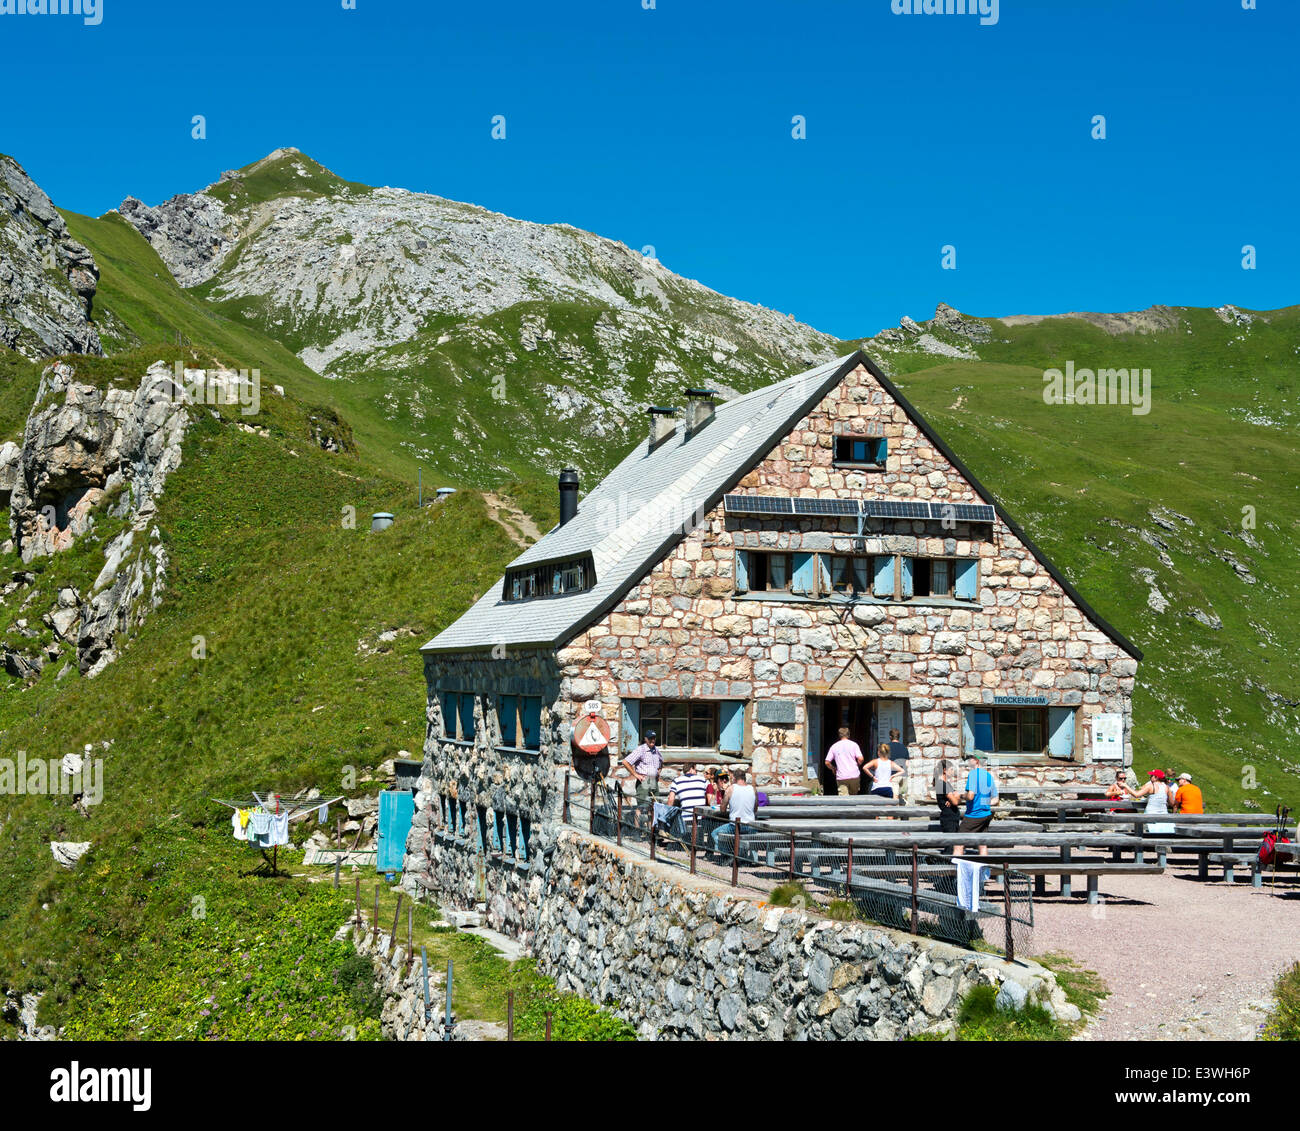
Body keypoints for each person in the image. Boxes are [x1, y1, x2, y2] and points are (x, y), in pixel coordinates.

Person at [954, 752, 998, 856]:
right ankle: (983, 870)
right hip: (986, 815)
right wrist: (984, 804)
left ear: (976, 761)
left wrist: (960, 796)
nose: (969, 760)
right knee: (982, 844)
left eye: (970, 758)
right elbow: (995, 800)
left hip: (974, 815)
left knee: (958, 843)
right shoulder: (989, 776)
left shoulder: (973, 774)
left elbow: (970, 796)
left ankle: (956, 870)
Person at [622, 730, 663, 828]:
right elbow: (625, 762)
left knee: (652, 806)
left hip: (653, 781)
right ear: (646, 739)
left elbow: (661, 762)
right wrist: (636, 775)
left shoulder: (656, 750)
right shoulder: (641, 750)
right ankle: (637, 830)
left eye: (654, 738)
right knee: (642, 806)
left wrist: (658, 772)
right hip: (644, 781)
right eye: (650, 739)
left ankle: (650, 831)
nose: (652, 740)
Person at [1114, 769, 1174, 834]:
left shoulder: (1151, 786)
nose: (1150, 777)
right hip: (1164, 815)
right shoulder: (1167, 787)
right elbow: (1172, 803)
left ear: (1156, 777)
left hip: (1150, 815)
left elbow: (1136, 795)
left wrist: (1126, 786)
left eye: (1151, 775)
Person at [824, 727, 865, 796]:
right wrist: (857, 765)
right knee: (854, 798)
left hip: (842, 776)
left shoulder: (834, 746)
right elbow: (861, 759)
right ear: (848, 734)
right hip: (854, 775)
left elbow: (827, 762)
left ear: (839, 735)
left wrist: (833, 768)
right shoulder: (854, 745)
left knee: (844, 799)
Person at [933, 758, 962, 833]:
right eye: (951, 769)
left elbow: (957, 797)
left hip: (953, 818)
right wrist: (955, 798)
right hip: (949, 819)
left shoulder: (947, 784)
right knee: (950, 843)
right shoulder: (941, 784)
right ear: (945, 770)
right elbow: (955, 801)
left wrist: (955, 797)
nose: (953, 772)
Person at [888, 727, 911, 802]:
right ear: (899, 737)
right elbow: (907, 764)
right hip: (902, 777)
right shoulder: (904, 748)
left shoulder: (886, 747)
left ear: (890, 737)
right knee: (901, 799)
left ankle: (894, 813)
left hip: (892, 776)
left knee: (893, 800)